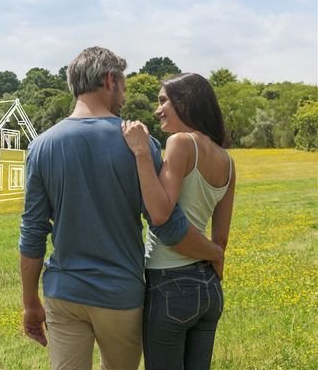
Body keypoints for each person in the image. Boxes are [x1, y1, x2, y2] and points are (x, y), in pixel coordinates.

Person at [19, 46, 224, 370]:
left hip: (64, 293)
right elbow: (165, 224)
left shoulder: (41, 146)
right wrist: (212, 252)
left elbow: (32, 232)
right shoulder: (140, 144)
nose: (125, 95)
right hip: (121, 296)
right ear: (109, 80)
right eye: (124, 85)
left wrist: (30, 302)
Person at [122, 73, 236, 370]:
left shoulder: (181, 143)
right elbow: (220, 241)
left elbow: (160, 213)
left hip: (169, 284)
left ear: (185, 103)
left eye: (163, 101)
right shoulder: (226, 160)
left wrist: (141, 152)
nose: (157, 110)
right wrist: (214, 260)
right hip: (209, 289)